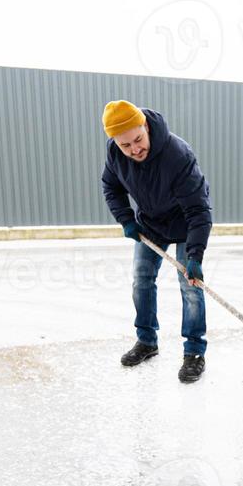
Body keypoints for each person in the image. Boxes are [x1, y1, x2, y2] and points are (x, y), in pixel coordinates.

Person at [99, 100, 212, 383]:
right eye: (126, 145)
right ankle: (147, 341)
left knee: (190, 286)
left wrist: (195, 256)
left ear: (145, 127)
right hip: (151, 225)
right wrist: (126, 219)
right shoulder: (115, 155)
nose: (135, 149)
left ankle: (194, 352)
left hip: (186, 224)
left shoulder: (177, 154)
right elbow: (110, 186)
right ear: (115, 142)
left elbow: (199, 210)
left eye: (138, 139)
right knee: (141, 280)